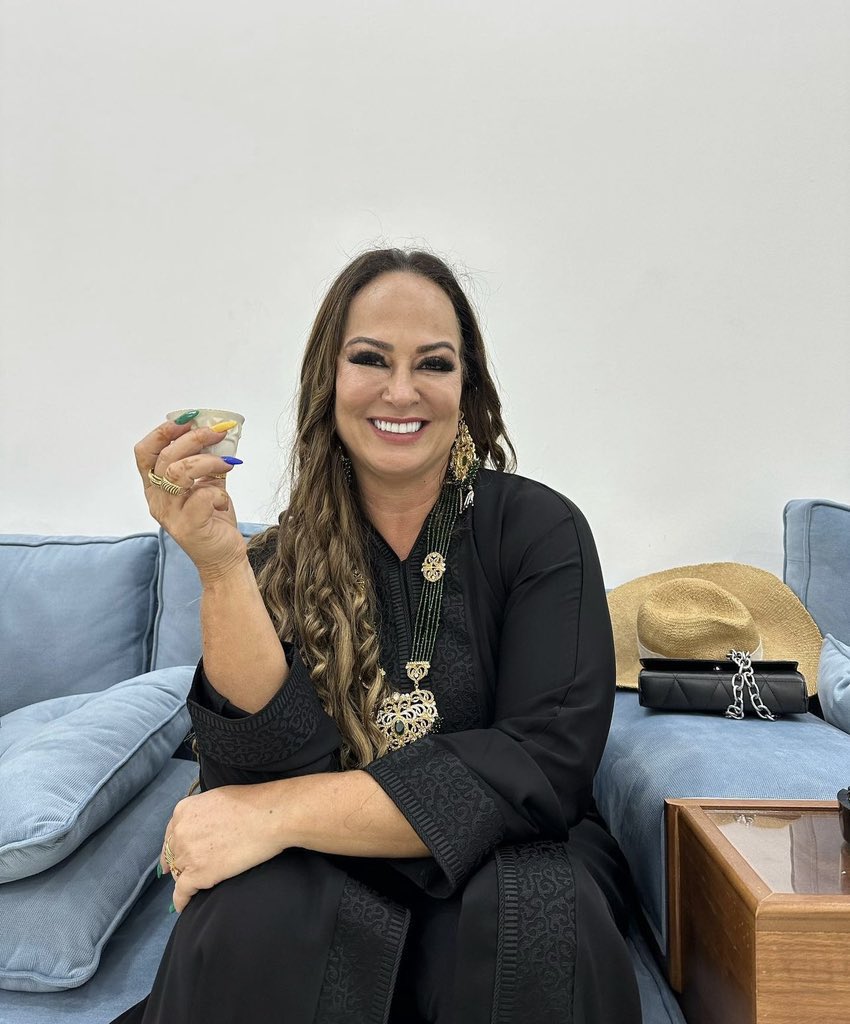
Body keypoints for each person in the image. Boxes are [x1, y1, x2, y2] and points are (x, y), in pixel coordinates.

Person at [114, 249, 642, 1024]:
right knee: (252, 915)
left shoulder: (539, 529)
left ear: (467, 388)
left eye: (433, 363)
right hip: (325, 866)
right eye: (370, 359)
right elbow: (254, 766)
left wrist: (276, 815)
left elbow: (542, 762)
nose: (401, 390)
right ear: (328, 382)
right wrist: (221, 566)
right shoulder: (279, 559)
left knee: (535, 913)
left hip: (504, 855)